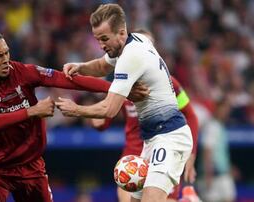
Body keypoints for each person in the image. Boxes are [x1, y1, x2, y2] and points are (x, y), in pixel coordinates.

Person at [56, 4, 193, 202]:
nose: (101, 45)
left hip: (170, 137)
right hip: (152, 139)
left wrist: (76, 109)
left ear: (121, 32)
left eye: (104, 39)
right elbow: (103, 65)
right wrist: (80, 67)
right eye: (97, 40)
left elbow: (109, 109)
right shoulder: (137, 40)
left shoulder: (131, 56)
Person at [0, 28, 113, 202]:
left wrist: (118, 89)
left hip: (30, 165)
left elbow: (66, 79)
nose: (5, 60)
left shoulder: (23, 72)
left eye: (6, 53)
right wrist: (31, 111)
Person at [90, 76, 199, 202]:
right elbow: (101, 123)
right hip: (133, 155)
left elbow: (190, 115)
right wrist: (97, 107)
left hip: (163, 150)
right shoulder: (123, 84)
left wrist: (192, 155)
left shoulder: (166, 81)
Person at [198, 98, 236, 202]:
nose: (226, 112)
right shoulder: (211, 126)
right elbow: (207, 151)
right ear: (217, 109)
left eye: (227, 110)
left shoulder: (220, 126)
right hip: (213, 176)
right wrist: (208, 175)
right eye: (224, 109)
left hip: (223, 175)